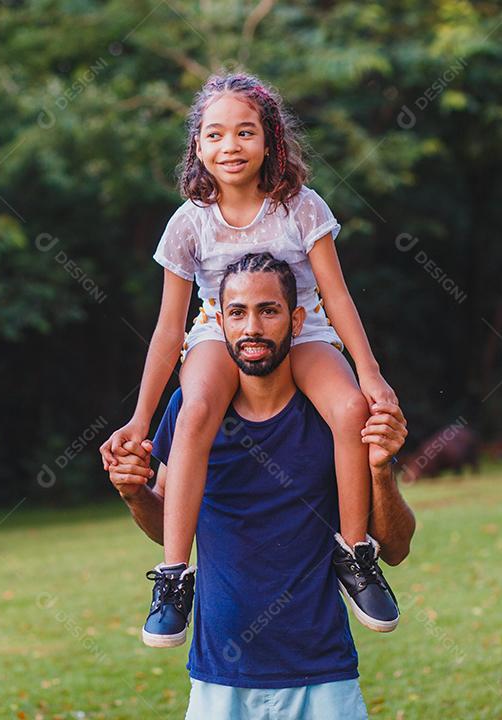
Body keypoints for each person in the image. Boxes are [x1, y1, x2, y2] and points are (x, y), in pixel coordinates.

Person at [99, 72, 402, 646]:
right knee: (194, 411)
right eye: (214, 135)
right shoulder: (189, 222)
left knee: (348, 410)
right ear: (198, 146)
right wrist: (141, 420)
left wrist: (371, 373)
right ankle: (173, 577)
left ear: (270, 142)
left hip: (302, 328)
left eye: (244, 132)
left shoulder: (301, 208)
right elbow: (169, 329)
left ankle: (356, 554)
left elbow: (335, 297)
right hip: (220, 331)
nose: (229, 146)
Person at [107, 253, 415, 719]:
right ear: (218, 322)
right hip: (218, 678)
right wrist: (134, 493)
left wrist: (380, 469)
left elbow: (394, 547)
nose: (252, 328)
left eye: (268, 311)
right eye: (237, 313)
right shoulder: (191, 411)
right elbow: (166, 522)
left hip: (323, 674)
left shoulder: (334, 412)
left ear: (295, 319)